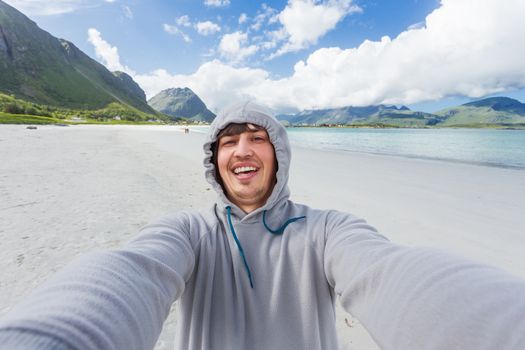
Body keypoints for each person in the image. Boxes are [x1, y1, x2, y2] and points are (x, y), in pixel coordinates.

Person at [0, 101, 524, 350]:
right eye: (229, 140)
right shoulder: (188, 233)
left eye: (257, 137)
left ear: (280, 154)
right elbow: (127, 274)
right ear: (214, 159)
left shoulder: (327, 230)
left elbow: (391, 273)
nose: (243, 150)